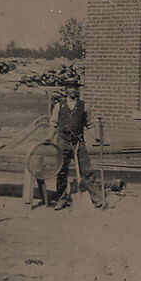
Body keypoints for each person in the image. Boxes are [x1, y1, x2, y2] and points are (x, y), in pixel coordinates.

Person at [50, 78, 104, 210]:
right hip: (63, 143)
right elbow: (53, 124)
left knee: (87, 171)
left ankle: (97, 199)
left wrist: (97, 137)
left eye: (75, 87)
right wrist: (49, 139)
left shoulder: (85, 106)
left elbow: (90, 124)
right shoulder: (59, 106)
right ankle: (61, 199)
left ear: (78, 90)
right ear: (66, 90)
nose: (73, 90)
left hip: (79, 143)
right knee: (62, 172)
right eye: (70, 87)